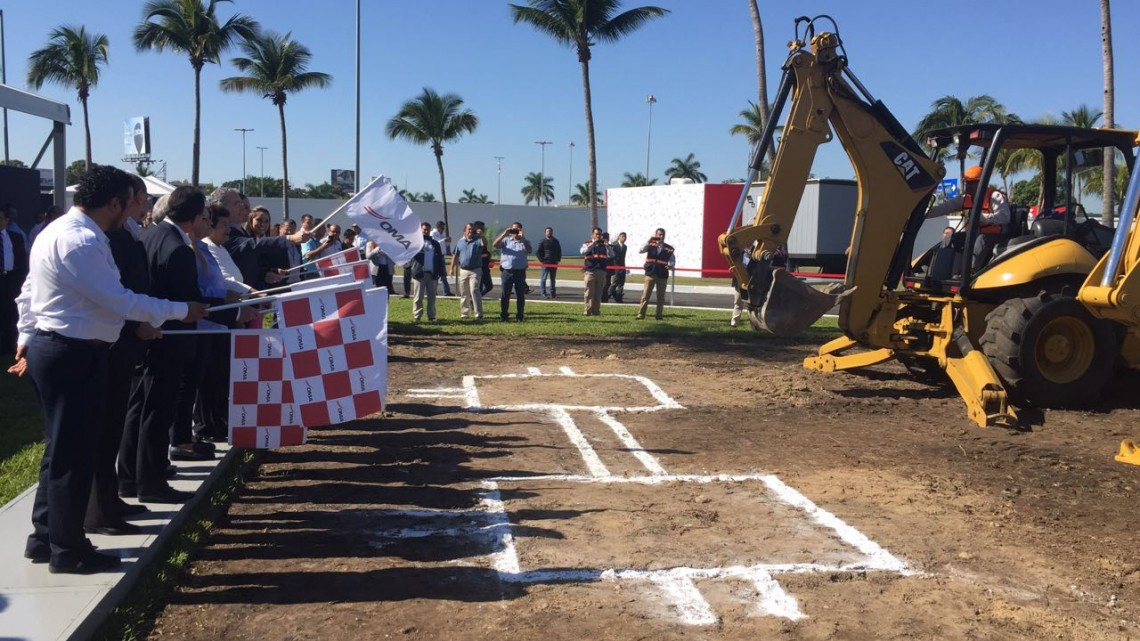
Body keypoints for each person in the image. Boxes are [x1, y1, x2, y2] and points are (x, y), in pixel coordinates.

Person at [13, 165, 206, 573]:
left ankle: (45, 537)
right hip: (73, 353)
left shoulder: (59, 231)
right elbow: (120, 300)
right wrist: (179, 311)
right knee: (74, 456)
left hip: (61, 348)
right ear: (113, 203)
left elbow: (28, 294)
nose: (136, 211)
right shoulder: (81, 241)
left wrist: (25, 335)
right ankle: (68, 550)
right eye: (129, 203)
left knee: (59, 451)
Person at [123, 186, 248, 505]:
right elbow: (184, 301)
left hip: (153, 334)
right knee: (156, 410)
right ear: (194, 218)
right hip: (168, 338)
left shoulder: (152, 235)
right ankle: (149, 480)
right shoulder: (178, 248)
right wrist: (228, 309)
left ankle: (131, 474)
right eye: (204, 217)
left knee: (141, 408)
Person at [926, 165, 1011, 268]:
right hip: (972, 235)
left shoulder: (995, 196)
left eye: (972, 183)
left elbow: (1005, 217)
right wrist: (921, 214)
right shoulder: (963, 199)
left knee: (981, 240)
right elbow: (943, 208)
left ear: (982, 183)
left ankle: (969, 272)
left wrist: (980, 217)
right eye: (967, 182)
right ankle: (939, 270)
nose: (968, 186)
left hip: (994, 236)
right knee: (950, 238)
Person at [0, 205, 29, 354]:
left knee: (11, 313)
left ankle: (10, 346)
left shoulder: (15, 237)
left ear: (6, 220)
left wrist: (22, 280)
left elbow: (22, 259)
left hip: (10, 279)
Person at [494, 221, 531, 322]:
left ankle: (520, 315)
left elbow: (529, 250)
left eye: (517, 229)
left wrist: (523, 238)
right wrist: (504, 234)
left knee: (520, 295)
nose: (515, 231)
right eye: (513, 229)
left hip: (520, 272)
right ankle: (504, 316)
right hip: (507, 271)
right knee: (505, 295)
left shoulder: (524, 242)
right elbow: (495, 245)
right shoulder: (506, 240)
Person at [636, 227, 675, 320]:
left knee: (661, 297)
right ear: (656, 235)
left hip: (662, 274)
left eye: (662, 235)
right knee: (645, 295)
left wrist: (671, 265)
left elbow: (672, 260)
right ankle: (641, 314)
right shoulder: (650, 245)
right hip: (651, 273)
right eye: (659, 234)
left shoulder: (668, 248)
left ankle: (659, 315)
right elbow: (641, 250)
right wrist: (648, 241)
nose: (661, 236)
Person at [410, 222, 445, 322]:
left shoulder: (435, 244)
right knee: (418, 297)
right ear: (420, 230)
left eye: (427, 230)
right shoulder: (415, 243)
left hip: (432, 274)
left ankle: (432, 316)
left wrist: (441, 272)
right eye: (424, 229)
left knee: (432, 297)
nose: (426, 231)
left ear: (430, 231)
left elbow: (440, 260)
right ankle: (417, 316)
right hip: (419, 273)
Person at [451, 222, 485, 320]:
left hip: (475, 270)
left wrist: (481, 235)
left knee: (474, 290)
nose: (471, 231)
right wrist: (451, 268)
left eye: (472, 229)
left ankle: (478, 314)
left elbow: (485, 244)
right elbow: (456, 255)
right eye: (469, 229)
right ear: (465, 231)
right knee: (464, 292)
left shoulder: (478, 240)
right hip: (463, 270)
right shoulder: (460, 242)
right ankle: (464, 314)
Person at [580, 227, 608, 316]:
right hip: (590, 271)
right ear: (592, 234)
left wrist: (608, 247)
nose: (598, 236)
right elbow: (583, 252)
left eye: (599, 234)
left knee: (598, 293)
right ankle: (587, 311)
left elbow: (612, 255)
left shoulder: (604, 245)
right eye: (596, 234)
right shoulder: (587, 243)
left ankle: (596, 311)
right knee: (589, 293)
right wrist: (593, 244)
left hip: (601, 271)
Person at [536, 226, 562, 299]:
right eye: (547, 231)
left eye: (550, 231)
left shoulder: (556, 241)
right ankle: (543, 293)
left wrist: (558, 259)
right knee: (543, 279)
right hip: (545, 263)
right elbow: (538, 252)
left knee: (553, 279)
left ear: (552, 232)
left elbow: (559, 250)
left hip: (554, 263)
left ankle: (553, 294)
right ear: (545, 233)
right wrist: (542, 260)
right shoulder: (542, 241)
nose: (549, 232)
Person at [431, 221, 453, 296]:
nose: (443, 229)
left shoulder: (442, 234)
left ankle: (446, 291)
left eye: (444, 228)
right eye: (442, 228)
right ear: (438, 227)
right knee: (435, 274)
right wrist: (444, 240)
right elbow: (435, 243)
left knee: (443, 274)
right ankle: (433, 291)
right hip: (435, 255)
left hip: (442, 255)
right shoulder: (433, 233)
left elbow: (444, 244)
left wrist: (448, 241)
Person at [474, 220, 493, 296]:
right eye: (482, 228)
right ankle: (475, 301)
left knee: (489, 286)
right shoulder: (473, 238)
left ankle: (477, 298)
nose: (484, 229)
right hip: (479, 266)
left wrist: (488, 256)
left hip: (485, 265)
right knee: (479, 286)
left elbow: (485, 245)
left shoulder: (482, 237)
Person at [608, 232, 628, 303]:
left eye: (625, 237)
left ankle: (619, 297)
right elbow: (613, 256)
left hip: (622, 266)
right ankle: (607, 295)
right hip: (616, 266)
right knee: (614, 282)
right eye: (622, 236)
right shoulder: (615, 246)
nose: (624, 238)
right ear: (619, 237)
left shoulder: (625, 247)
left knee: (621, 283)